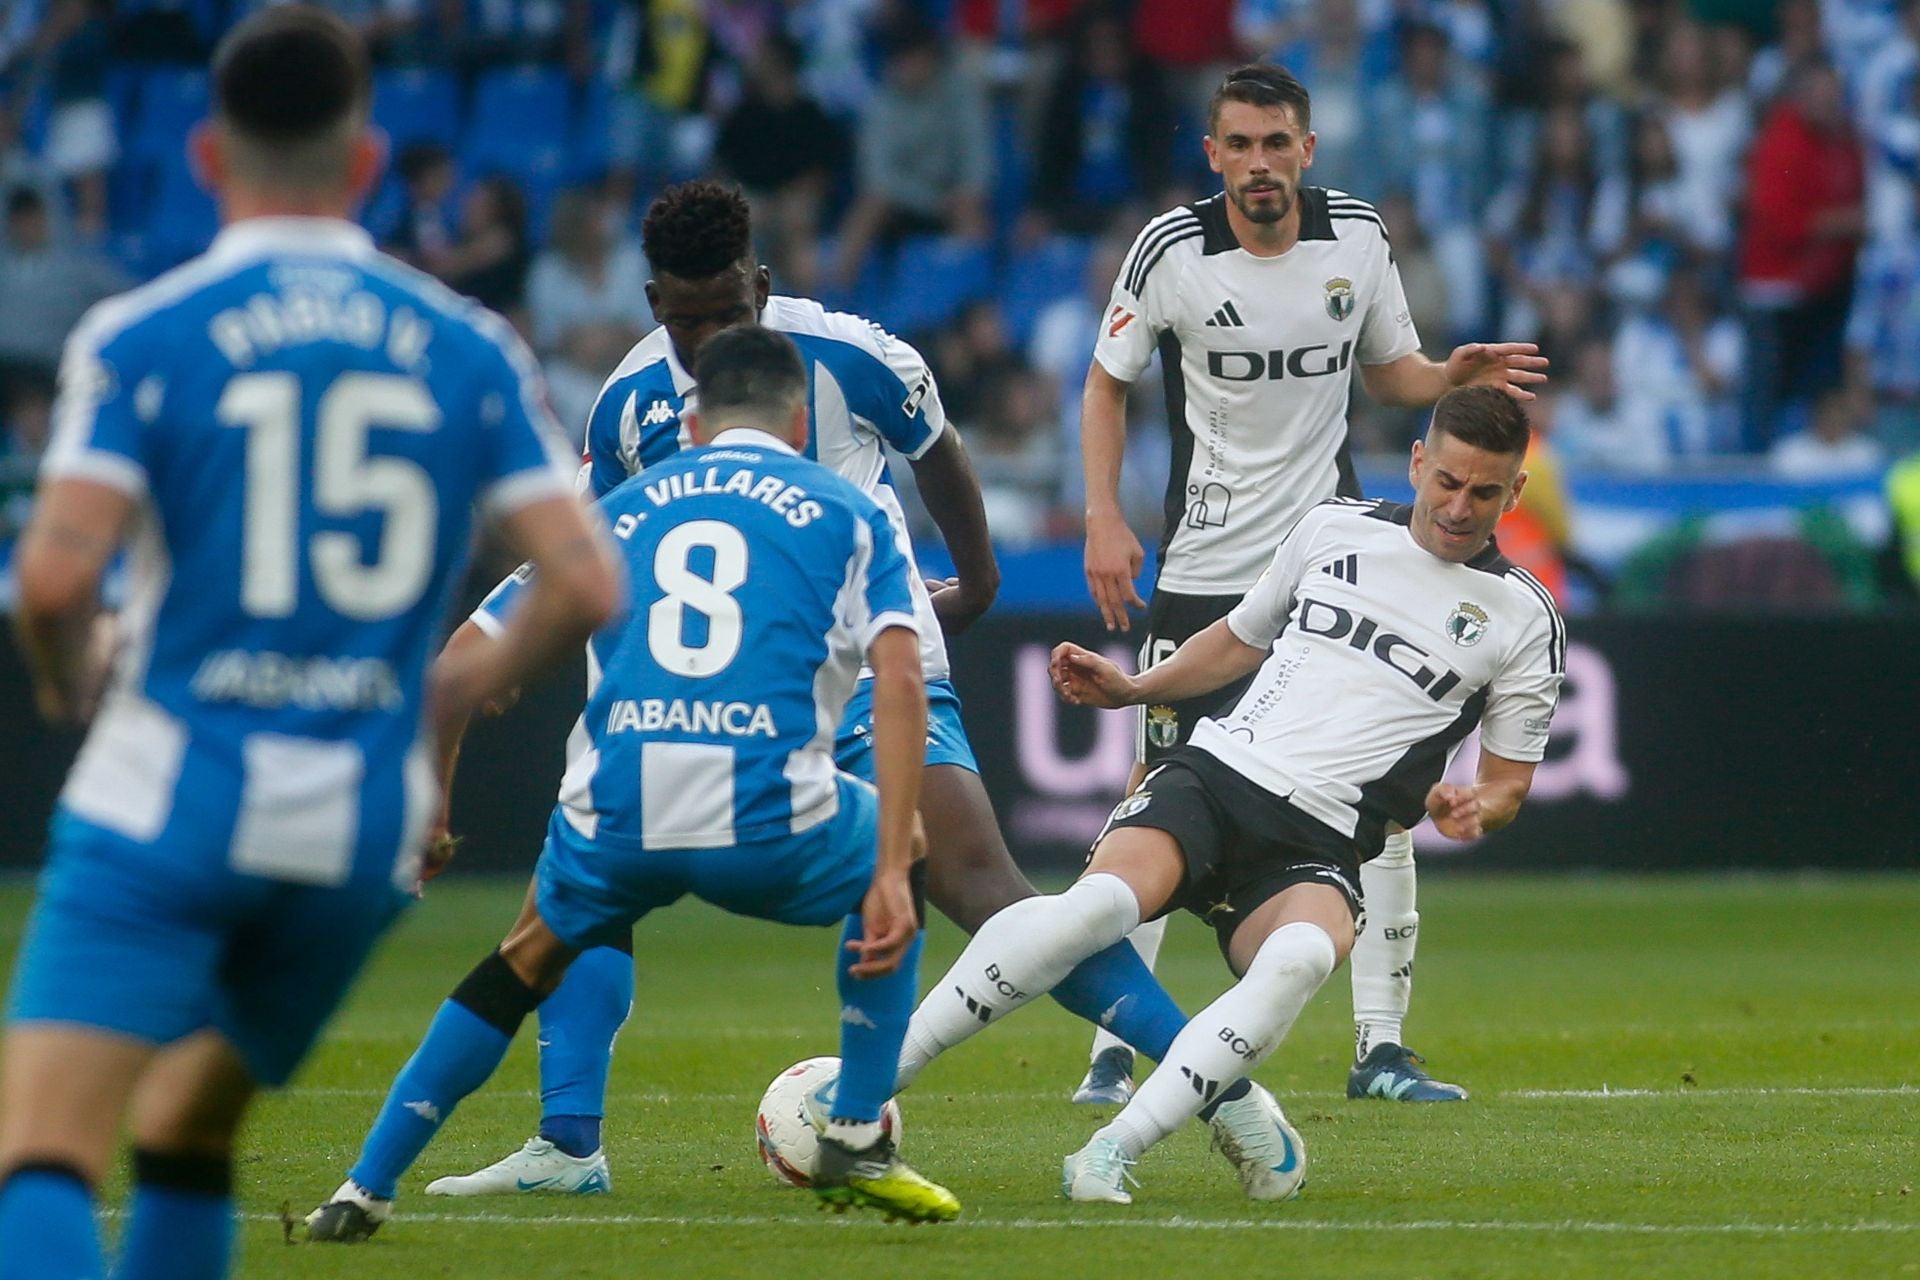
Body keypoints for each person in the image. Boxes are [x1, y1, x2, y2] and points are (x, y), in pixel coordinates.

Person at [403, 182, 1265, 1201]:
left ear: (760, 285)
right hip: (723, 688)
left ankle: (1218, 1080)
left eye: (727, 310)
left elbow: (938, 453)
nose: (707, 336)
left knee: (981, 885)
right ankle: (567, 1143)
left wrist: (979, 580)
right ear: (651, 304)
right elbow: (602, 545)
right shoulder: (628, 404)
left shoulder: (856, 355)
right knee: (582, 887)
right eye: (683, 319)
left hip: (865, 669)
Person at [0, 9, 618, 1277]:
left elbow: (54, 578)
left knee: (46, 1149)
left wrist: (70, 685)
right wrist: (424, 698)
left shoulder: (143, 333)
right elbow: (585, 578)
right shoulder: (470, 346)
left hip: (172, 792)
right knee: (183, 1125)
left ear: (207, 158)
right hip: (349, 828)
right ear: (368, 162)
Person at [306, 327, 960, 1237]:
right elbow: (899, 679)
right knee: (910, 844)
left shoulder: (617, 510)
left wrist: (430, 802)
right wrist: (889, 868)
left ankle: (362, 1189)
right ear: (802, 416)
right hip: (764, 811)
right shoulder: (846, 510)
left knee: (521, 961)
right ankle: (853, 1133)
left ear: (691, 423)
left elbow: (460, 667)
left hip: (619, 811)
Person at [899, 387, 1565, 1202]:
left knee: (1299, 961)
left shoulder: (1525, 617)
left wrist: (1476, 807)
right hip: (1216, 778)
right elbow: (1238, 640)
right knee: (1092, 909)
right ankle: (871, 1082)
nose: (1460, 507)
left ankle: (1112, 1150)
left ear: (1515, 492)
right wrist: (1134, 689)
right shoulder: (1334, 527)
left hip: (1321, 840)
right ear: (1419, 462)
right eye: (1449, 481)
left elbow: (1508, 781)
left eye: (1485, 492)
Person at [1075, 63, 1547, 1108]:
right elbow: (1105, 387)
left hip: (1339, 565)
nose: (1259, 163)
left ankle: (1382, 1045)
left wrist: (1448, 374)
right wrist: (1104, 515)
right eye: (1239, 144)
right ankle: (1115, 1041)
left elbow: (1392, 376)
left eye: (1276, 142)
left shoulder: (1359, 237)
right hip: (1201, 567)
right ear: (1214, 154)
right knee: (1150, 801)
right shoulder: (1169, 251)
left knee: (1369, 810)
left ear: (1307, 148)